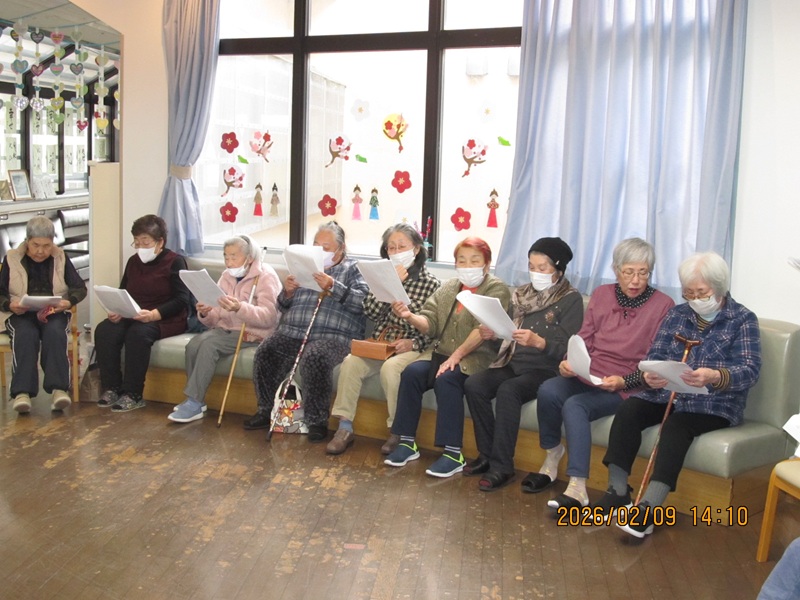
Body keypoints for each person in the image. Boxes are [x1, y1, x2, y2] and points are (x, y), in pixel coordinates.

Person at [594, 251, 761, 538]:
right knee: (630, 410)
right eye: (689, 293)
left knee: (676, 426)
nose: (695, 299)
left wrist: (714, 376)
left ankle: (649, 508)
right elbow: (656, 354)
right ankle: (617, 491)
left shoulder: (743, 319)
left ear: (720, 288)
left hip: (714, 403)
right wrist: (651, 375)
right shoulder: (677, 314)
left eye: (702, 293)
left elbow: (750, 370)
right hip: (667, 394)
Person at [525, 237, 674, 508]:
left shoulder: (663, 305)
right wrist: (569, 362)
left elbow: (657, 360)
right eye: (629, 272)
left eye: (643, 273)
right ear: (616, 270)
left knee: (575, 406)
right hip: (590, 373)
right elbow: (584, 337)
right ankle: (552, 453)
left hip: (627, 384)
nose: (636, 280)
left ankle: (577, 486)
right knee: (549, 390)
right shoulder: (603, 294)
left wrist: (623, 381)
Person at [463, 237, 583, 491]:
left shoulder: (571, 299)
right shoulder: (520, 294)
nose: (535, 273)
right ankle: (486, 454)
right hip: (513, 361)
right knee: (475, 385)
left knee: (509, 390)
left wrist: (540, 342)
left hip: (545, 369)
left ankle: (502, 466)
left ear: (559, 270)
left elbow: (568, 349)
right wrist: (493, 333)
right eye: (531, 266)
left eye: (542, 268)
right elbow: (508, 334)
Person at [385, 237, 510, 478]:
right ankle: (407, 442)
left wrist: (457, 355)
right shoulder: (449, 287)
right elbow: (429, 322)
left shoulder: (496, 289)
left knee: (447, 379)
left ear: (486, 264)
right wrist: (409, 316)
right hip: (440, 353)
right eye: (462, 261)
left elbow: (482, 329)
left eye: (474, 261)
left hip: (477, 358)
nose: (467, 266)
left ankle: (453, 454)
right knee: (411, 373)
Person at [247, 221, 369, 442]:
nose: (320, 251)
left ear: (341, 248)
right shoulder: (303, 266)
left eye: (326, 247)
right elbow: (282, 305)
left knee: (315, 356)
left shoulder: (354, 269)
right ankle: (267, 410)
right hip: (293, 331)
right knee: (267, 350)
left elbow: (364, 304)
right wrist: (288, 292)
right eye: (316, 245)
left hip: (334, 337)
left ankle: (316, 421)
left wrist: (333, 286)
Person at [327, 223, 440, 455]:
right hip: (382, 342)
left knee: (391, 369)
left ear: (416, 249)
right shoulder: (382, 277)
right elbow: (370, 312)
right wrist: (390, 284)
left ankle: (397, 431)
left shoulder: (432, 283)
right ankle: (344, 427)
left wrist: (412, 343)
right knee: (350, 363)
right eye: (391, 248)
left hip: (412, 346)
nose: (396, 252)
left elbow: (435, 329)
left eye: (402, 247)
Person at [168, 235, 282, 423]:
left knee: (209, 345)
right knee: (194, 344)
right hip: (225, 329)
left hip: (252, 333)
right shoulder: (226, 276)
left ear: (249, 257)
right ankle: (195, 400)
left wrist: (239, 308)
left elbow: (269, 317)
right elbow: (215, 318)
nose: (228, 262)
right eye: (226, 257)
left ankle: (194, 402)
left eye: (233, 257)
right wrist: (205, 312)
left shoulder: (265, 276)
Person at [95, 214, 191, 412]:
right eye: (136, 242)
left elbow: (182, 299)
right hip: (134, 314)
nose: (140, 247)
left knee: (138, 333)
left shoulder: (175, 261)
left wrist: (154, 314)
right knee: (105, 329)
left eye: (145, 242)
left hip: (165, 317)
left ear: (160, 242)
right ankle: (112, 388)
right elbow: (123, 291)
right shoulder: (133, 261)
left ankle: (133, 393)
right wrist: (116, 310)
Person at [0, 216, 87, 413]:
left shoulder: (60, 257)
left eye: (46, 246)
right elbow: (1, 292)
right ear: (27, 241)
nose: (41, 251)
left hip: (53, 312)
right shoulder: (12, 258)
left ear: (53, 242)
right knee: (25, 334)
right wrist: (9, 304)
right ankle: (22, 393)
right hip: (20, 313)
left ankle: (58, 390)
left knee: (55, 332)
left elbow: (79, 288)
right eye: (36, 245)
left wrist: (68, 302)